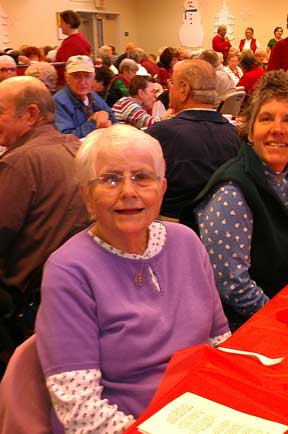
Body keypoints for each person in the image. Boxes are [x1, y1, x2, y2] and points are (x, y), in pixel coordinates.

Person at [35, 124, 230, 434]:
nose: (128, 191)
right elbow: (80, 411)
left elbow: (219, 342)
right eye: (110, 179)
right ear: (87, 196)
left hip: (203, 414)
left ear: (162, 188)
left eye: (142, 177)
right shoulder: (69, 270)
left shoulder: (186, 242)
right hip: (130, 424)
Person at [182, 70, 288, 329]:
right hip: (243, 327)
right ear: (250, 129)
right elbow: (232, 286)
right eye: (266, 118)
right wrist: (284, 321)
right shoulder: (232, 192)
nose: (277, 130)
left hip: (283, 304)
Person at [0, 76, 89, 360]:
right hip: (75, 296)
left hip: (27, 305)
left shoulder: (19, 163)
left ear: (31, 114)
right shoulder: (78, 148)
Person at [148, 59, 240, 219]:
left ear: (184, 89)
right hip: (224, 224)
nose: (169, 88)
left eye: (172, 82)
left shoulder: (160, 135)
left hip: (171, 229)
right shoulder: (236, 135)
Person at [54, 55, 117, 139]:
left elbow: (113, 120)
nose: (83, 82)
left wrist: (105, 115)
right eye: (76, 76)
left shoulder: (92, 95)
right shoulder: (58, 102)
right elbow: (66, 138)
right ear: (67, 77)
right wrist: (94, 122)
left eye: (87, 76)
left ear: (93, 77)